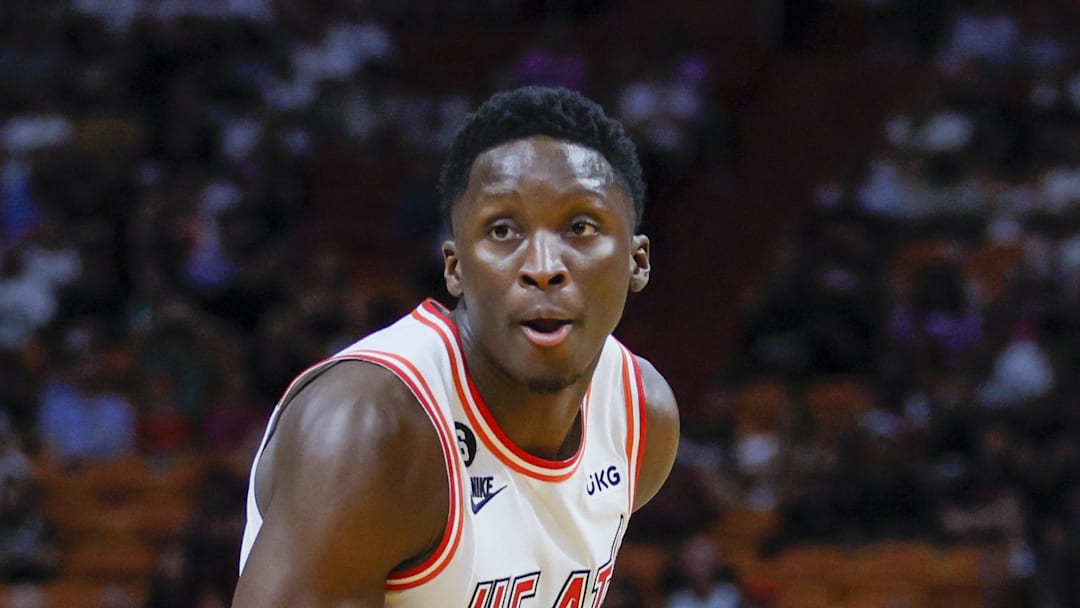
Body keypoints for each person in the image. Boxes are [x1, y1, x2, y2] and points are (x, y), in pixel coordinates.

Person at [231, 85, 680, 607]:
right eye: (503, 230)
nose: (542, 268)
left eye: (580, 226)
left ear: (637, 261)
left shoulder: (640, 419)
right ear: (455, 268)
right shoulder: (371, 430)